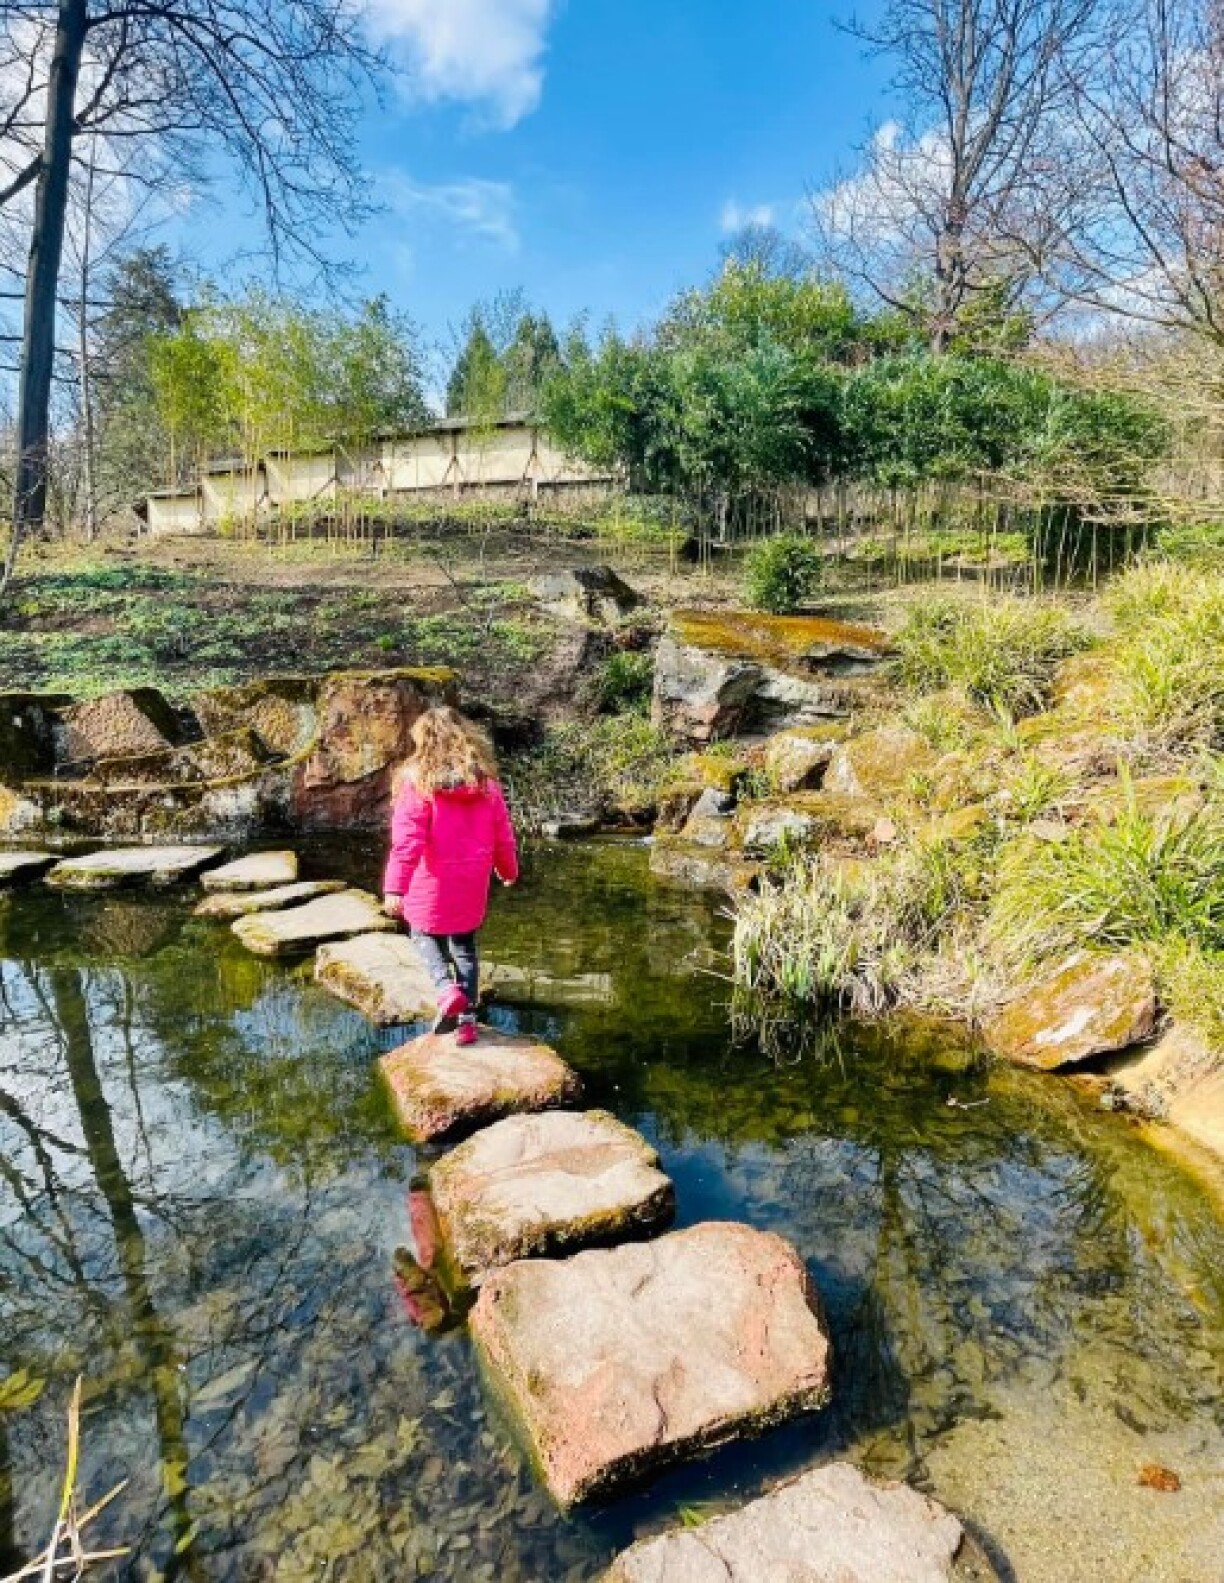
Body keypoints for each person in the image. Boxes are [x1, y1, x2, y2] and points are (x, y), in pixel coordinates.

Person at [382, 706, 519, 1045]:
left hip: (432, 882)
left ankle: (445, 990)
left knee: (421, 934)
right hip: (472, 882)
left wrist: (395, 889)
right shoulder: (485, 784)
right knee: (464, 947)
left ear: (422, 741)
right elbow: (503, 834)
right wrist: (508, 869)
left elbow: (407, 844)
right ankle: (467, 1023)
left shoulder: (418, 784)